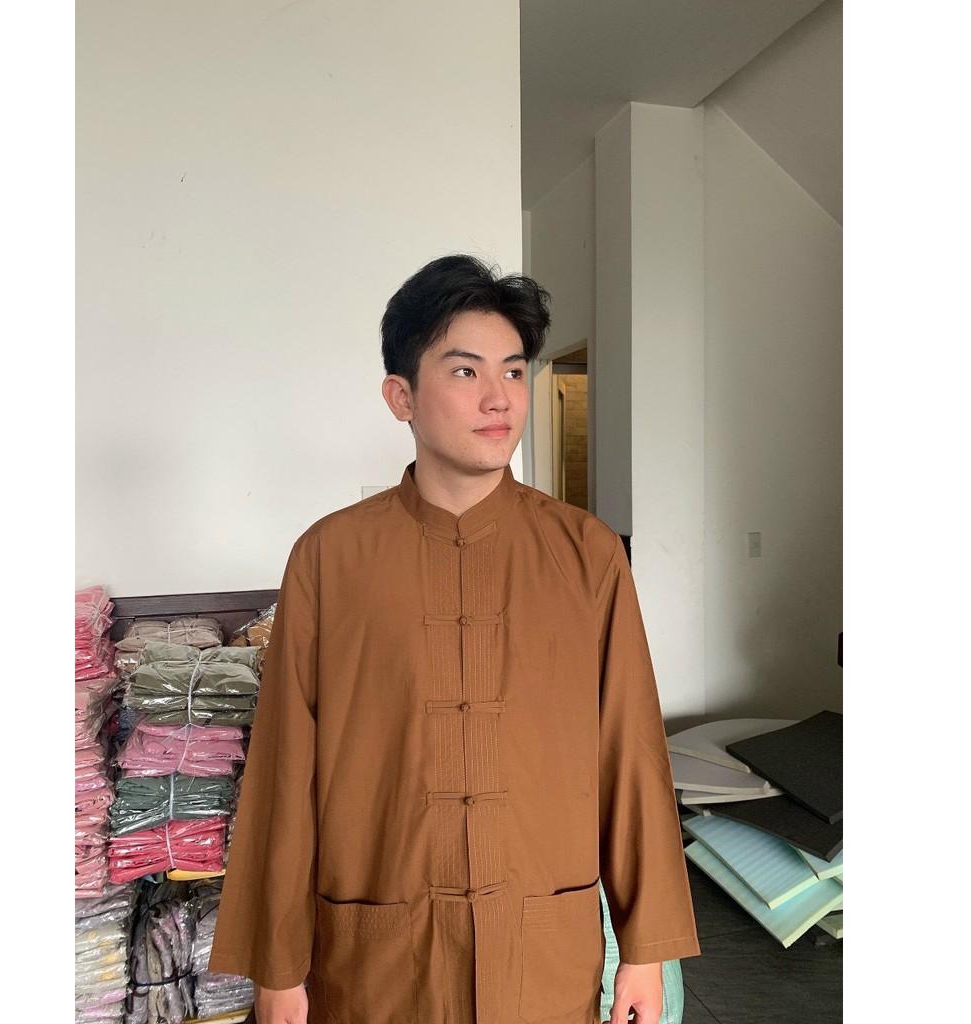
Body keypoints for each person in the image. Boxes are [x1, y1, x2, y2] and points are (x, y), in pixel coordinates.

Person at [207, 254, 701, 1024]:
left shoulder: (587, 555)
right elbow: (284, 774)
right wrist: (278, 967)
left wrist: (646, 951)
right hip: (378, 960)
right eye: (466, 371)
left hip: (543, 952)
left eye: (514, 371)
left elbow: (630, 754)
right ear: (400, 396)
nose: (499, 397)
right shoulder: (331, 558)